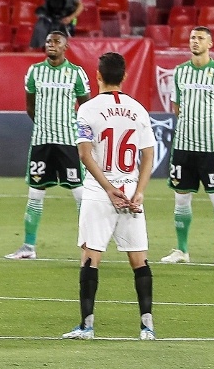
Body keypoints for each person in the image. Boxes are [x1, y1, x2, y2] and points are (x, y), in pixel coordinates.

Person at [62, 51, 157, 340]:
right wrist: (139, 191)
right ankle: (147, 327)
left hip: (99, 192)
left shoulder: (88, 110)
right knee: (139, 260)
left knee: (90, 258)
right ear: (124, 76)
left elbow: (84, 154)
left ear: (98, 76)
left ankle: (87, 326)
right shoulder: (138, 109)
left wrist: (107, 188)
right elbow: (148, 154)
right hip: (130, 191)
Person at [6, 30, 90, 260]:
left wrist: (77, 134)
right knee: (35, 193)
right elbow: (30, 107)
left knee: (80, 195)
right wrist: (45, 125)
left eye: (56, 41)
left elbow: (86, 108)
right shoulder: (34, 72)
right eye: (48, 41)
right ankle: (28, 247)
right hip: (41, 143)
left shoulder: (76, 74)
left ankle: (90, 244)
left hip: (68, 143)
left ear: (66, 47)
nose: (51, 44)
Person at [159, 27, 214, 266]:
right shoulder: (180, 72)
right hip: (183, 147)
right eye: (192, 38)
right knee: (181, 199)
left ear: (210, 43)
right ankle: (181, 250)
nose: (195, 42)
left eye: (200, 38)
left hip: (210, 147)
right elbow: (177, 107)